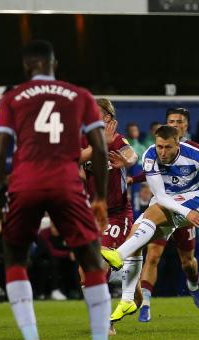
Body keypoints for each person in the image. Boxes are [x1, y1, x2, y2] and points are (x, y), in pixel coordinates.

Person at [0, 40, 133, 340]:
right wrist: (97, 199)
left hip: (25, 184)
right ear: (56, 63)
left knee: (16, 260)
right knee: (92, 262)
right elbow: (99, 146)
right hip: (66, 184)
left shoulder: (11, 99)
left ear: (27, 67)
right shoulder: (80, 95)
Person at [101, 125, 199, 312]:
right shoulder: (150, 156)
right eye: (160, 146)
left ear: (178, 145)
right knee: (137, 232)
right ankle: (130, 301)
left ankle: (120, 256)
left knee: (187, 262)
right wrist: (185, 213)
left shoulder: (194, 154)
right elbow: (160, 196)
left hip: (193, 199)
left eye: (167, 147)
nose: (162, 151)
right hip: (166, 201)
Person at [129, 107, 199, 323]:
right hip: (162, 206)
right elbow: (149, 171)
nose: (174, 124)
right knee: (152, 255)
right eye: (171, 121)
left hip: (186, 209)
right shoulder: (158, 148)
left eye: (179, 121)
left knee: (188, 262)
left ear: (186, 125)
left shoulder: (195, 149)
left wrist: (196, 200)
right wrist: (132, 180)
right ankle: (145, 303)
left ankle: (193, 284)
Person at [78, 97, 139, 327]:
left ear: (107, 117)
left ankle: (106, 323)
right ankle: (129, 278)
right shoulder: (84, 139)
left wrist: (126, 161)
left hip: (116, 212)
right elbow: (74, 162)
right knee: (84, 272)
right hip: (92, 213)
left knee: (100, 262)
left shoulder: (117, 139)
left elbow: (132, 155)